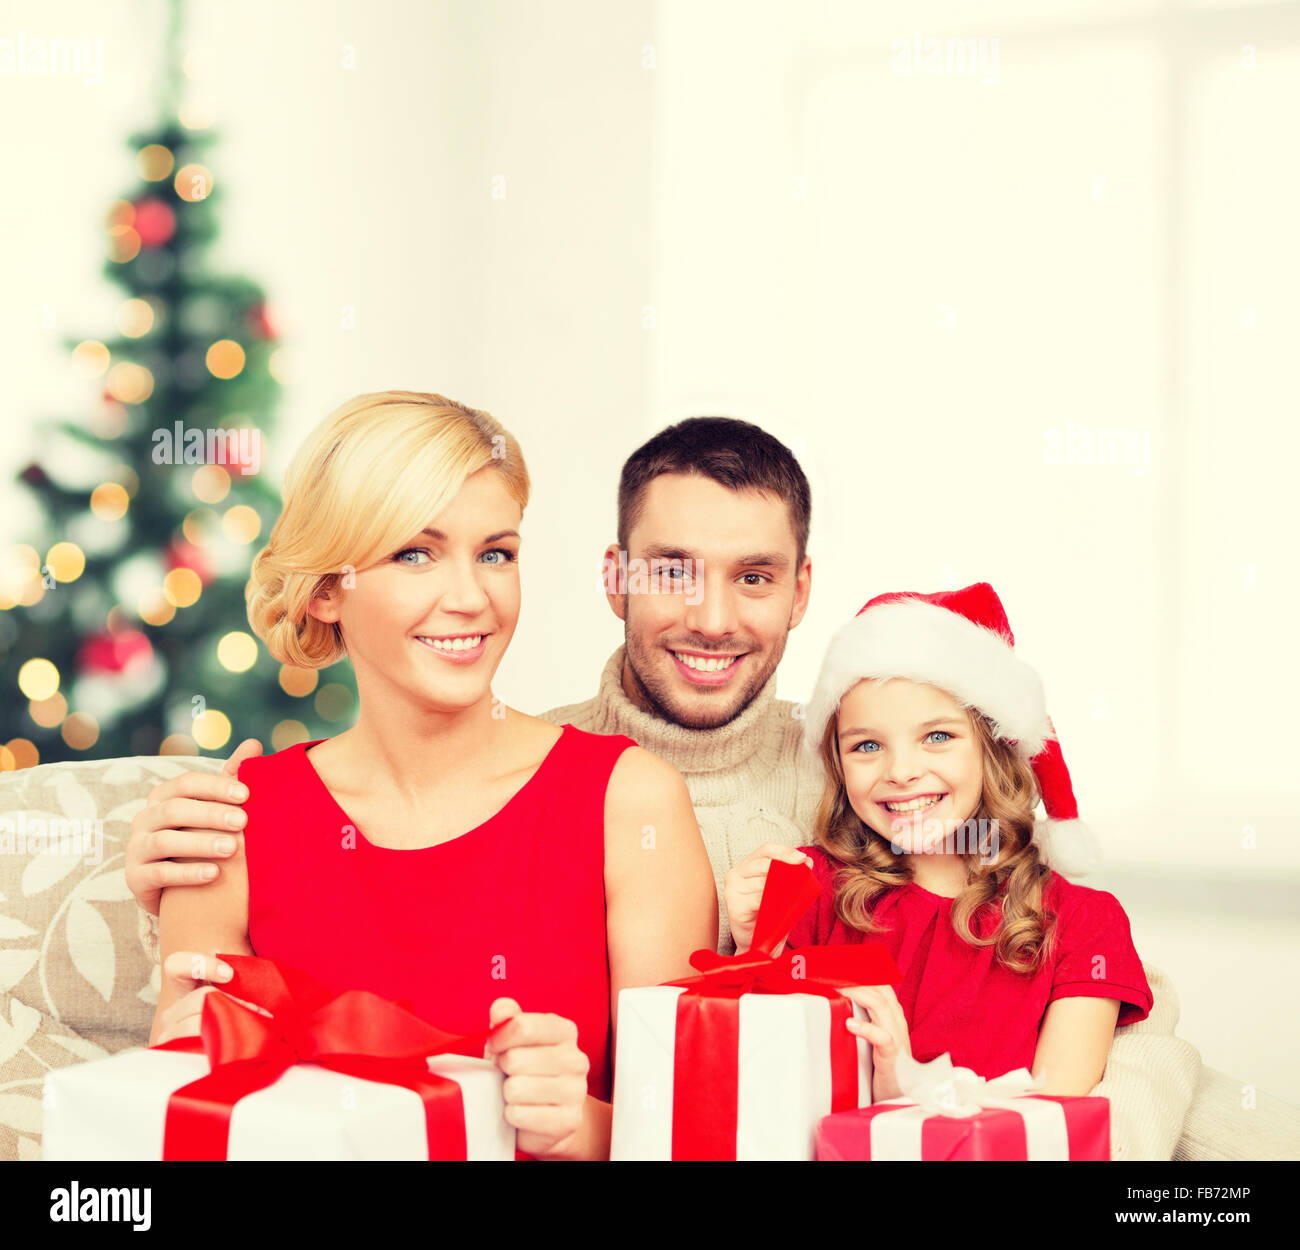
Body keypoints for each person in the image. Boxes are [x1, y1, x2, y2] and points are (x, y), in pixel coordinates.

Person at [128, 416, 1200, 1157]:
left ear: (800, 593)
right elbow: (182, 1092)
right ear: (613, 577)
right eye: (671, 571)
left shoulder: (885, 785)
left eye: (754, 577)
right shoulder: (542, 770)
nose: (714, 619)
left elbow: (1078, 973)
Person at [147, 391, 717, 1161]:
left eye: (496, 553)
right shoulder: (233, 822)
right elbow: (182, 1122)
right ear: (326, 589)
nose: (471, 597)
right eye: (415, 553)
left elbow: (685, 1139)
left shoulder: (629, 800)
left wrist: (572, 1123)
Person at [725, 583, 1154, 1105]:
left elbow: (1050, 1120)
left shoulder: (1082, 924)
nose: (901, 772)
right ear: (838, 765)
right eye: (867, 745)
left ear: (994, 750)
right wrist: (756, 946)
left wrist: (902, 1087)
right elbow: (755, 1086)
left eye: (937, 736)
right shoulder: (811, 887)